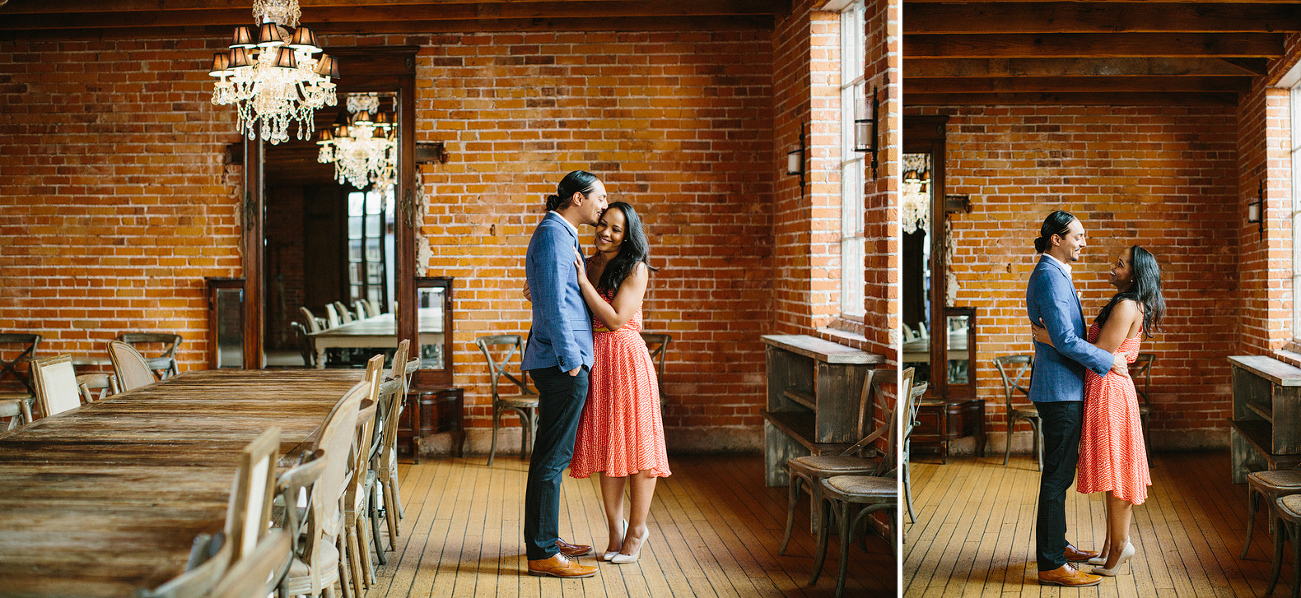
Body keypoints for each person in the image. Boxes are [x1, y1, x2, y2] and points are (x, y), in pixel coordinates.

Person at [1033, 245, 1163, 577]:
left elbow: (1101, 353)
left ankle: (1119, 547)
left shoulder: (1125, 305)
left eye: (1119, 265)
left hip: (1109, 393)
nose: (1112, 267)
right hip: (1106, 388)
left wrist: (1052, 340)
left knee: (1116, 470)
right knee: (1115, 470)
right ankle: (1113, 546)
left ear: (1133, 274)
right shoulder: (1129, 302)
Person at [1025, 210, 1131, 588]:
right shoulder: (1050, 276)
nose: (1084, 242)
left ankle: (1058, 546)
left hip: (1064, 386)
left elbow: (1059, 336)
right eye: (1078, 236)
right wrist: (1109, 360)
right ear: (1057, 239)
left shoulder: (1055, 274)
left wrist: (1053, 338)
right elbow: (1068, 340)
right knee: (1057, 477)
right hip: (1059, 391)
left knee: (1060, 474)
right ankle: (1052, 563)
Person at [567, 201, 671, 564]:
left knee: (639, 449)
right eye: (603, 225)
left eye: (616, 229)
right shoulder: (590, 262)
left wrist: (582, 282)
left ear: (628, 236)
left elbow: (614, 319)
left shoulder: (635, 268)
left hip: (627, 361)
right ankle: (615, 529)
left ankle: (638, 529)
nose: (605, 233)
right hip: (597, 363)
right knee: (607, 451)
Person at [522, 170, 607, 579]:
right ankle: (541, 551)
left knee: (551, 456)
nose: (603, 206)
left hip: (557, 359)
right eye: (600, 199)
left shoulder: (557, 232)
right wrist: (571, 359)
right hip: (561, 363)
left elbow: (546, 292)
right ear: (578, 198)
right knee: (553, 458)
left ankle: (546, 539)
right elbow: (554, 302)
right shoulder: (555, 234)